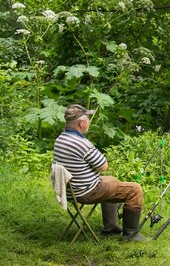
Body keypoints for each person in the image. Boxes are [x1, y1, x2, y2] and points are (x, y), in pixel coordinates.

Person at [53, 104, 147, 242]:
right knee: (135, 189)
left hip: (71, 190)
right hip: (86, 192)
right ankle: (131, 235)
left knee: (111, 181)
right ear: (81, 123)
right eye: (88, 119)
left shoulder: (60, 139)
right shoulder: (81, 143)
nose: (89, 122)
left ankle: (111, 226)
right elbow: (103, 166)